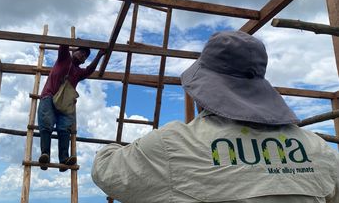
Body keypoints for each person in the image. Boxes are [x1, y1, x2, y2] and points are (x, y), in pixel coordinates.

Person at [91, 31, 339, 202]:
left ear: (204, 90)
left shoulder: (174, 145)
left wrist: (109, 149)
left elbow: (105, 171)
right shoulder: (317, 148)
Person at [38, 44, 104, 172]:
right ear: (74, 51)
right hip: (49, 97)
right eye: (81, 53)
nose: (82, 56)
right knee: (46, 125)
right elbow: (64, 44)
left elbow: (90, 70)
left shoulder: (78, 72)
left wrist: (99, 55)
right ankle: (44, 156)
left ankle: (64, 159)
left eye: (85, 56)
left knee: (64, 130)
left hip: (65, 103)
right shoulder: (64, 59)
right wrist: (73, 42)